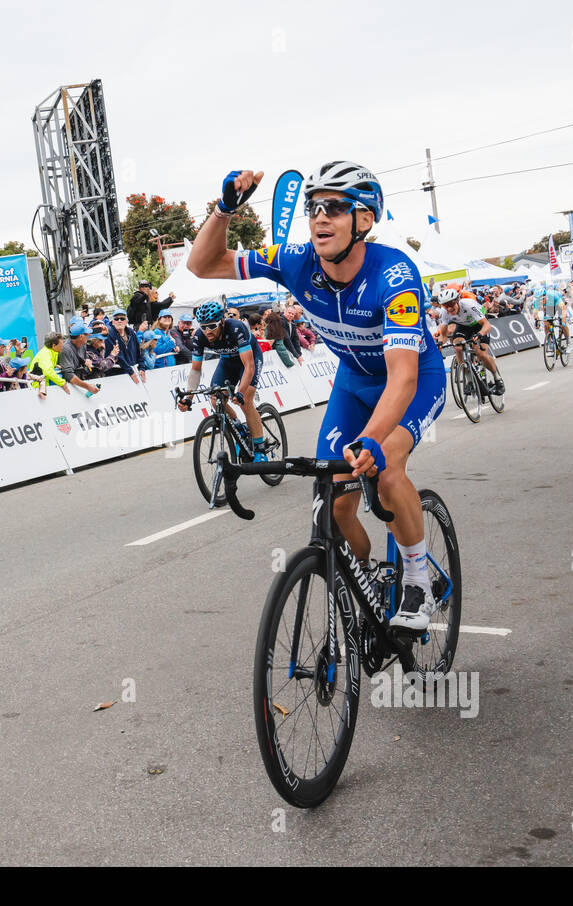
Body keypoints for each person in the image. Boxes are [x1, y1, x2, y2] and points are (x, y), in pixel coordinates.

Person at [189, 162, 447, 631]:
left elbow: (403, 377)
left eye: (335, 207)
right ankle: (367, 581)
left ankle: (416, 579)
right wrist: (225, 209)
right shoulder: (296, 261)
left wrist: (370, 441)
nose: (320, 217)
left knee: (385, 469)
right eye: (314, 207)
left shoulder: (394, 273)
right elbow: (203, 265)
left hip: (411, 382)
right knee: (335, 499)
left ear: (364, 219)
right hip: (352, 382)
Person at [175, 301, 270, 460]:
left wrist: (239, 392)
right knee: (215, 399)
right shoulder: (199, 336)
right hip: (227, 362)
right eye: (203, 326)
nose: (207, 331)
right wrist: (189, 398)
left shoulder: (235, 328)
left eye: (212, 326)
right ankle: (239, 429)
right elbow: (196, 369)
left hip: (249, 359)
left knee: (245, 400)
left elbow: (249, 366)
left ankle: (260, 448)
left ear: (222, 322)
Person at [434, 288, 505, 392]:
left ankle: (497, 378)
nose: (449, 308)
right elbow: (444, 335)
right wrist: (440, 344)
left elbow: (486, 325)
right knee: (457, 347)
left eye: (450, 304)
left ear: (457, 300)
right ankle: (469, 381)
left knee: (481, 354)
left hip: (479, 325)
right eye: (445, 305)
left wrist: (480, 334)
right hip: (463, 326)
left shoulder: (468, 305)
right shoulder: (444, 312)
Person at [58, 323, 103, 394]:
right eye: (87, 334)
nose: (89, 335)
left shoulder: (82, 343)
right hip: (68, 389)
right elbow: (69, 376)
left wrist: (86, 360)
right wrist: (88, 387)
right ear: (81, 336)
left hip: (78, 384)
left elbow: (82, 358)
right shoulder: (66, 349)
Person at [104, 308, 148, 383]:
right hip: (117, 375)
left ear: (126, 321)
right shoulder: (109, 334)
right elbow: (118, 357)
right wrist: (131, 372)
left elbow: (139, 351)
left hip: (133, 371)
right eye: (116, 319)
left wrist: (142, 367)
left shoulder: (131, 332)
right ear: (113, 322)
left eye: (122, 318)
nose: (119, 321)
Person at [29, 332, 74, 397]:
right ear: (53, 345)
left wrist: (56, 365)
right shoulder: (45, 354)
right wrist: (62, 383)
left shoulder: (53, 351)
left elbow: (47, 365)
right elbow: (48, 371)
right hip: (38, 388)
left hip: (46, 384)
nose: (63, 345)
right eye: (61, 344)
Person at [532, 283, 570, 352]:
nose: (540, 301)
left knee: (562, 324)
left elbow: (564, 309)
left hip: (558, 303)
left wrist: (563, 321)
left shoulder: (553, 296)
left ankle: (568, 342)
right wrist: (537, 321)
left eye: (542, 299)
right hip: (549, 307)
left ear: (545, 296)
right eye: (539, 300)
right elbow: (535, 313)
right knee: (546, 324)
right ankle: (550, 344)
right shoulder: (536, 300)